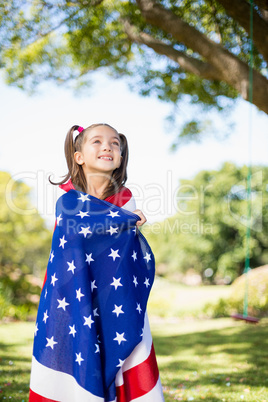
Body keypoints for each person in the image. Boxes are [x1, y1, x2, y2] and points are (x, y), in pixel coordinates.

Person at [29, 123, 164, 401]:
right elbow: (65, 255)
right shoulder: (68, 203)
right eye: (98, 142)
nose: (108, 147)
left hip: (116, 299)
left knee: (125, 362)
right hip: (72, 300)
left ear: (121, 158)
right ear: (79, 156)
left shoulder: (125, 201)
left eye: (115, 144)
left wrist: (127, 223)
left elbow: (124, 257)